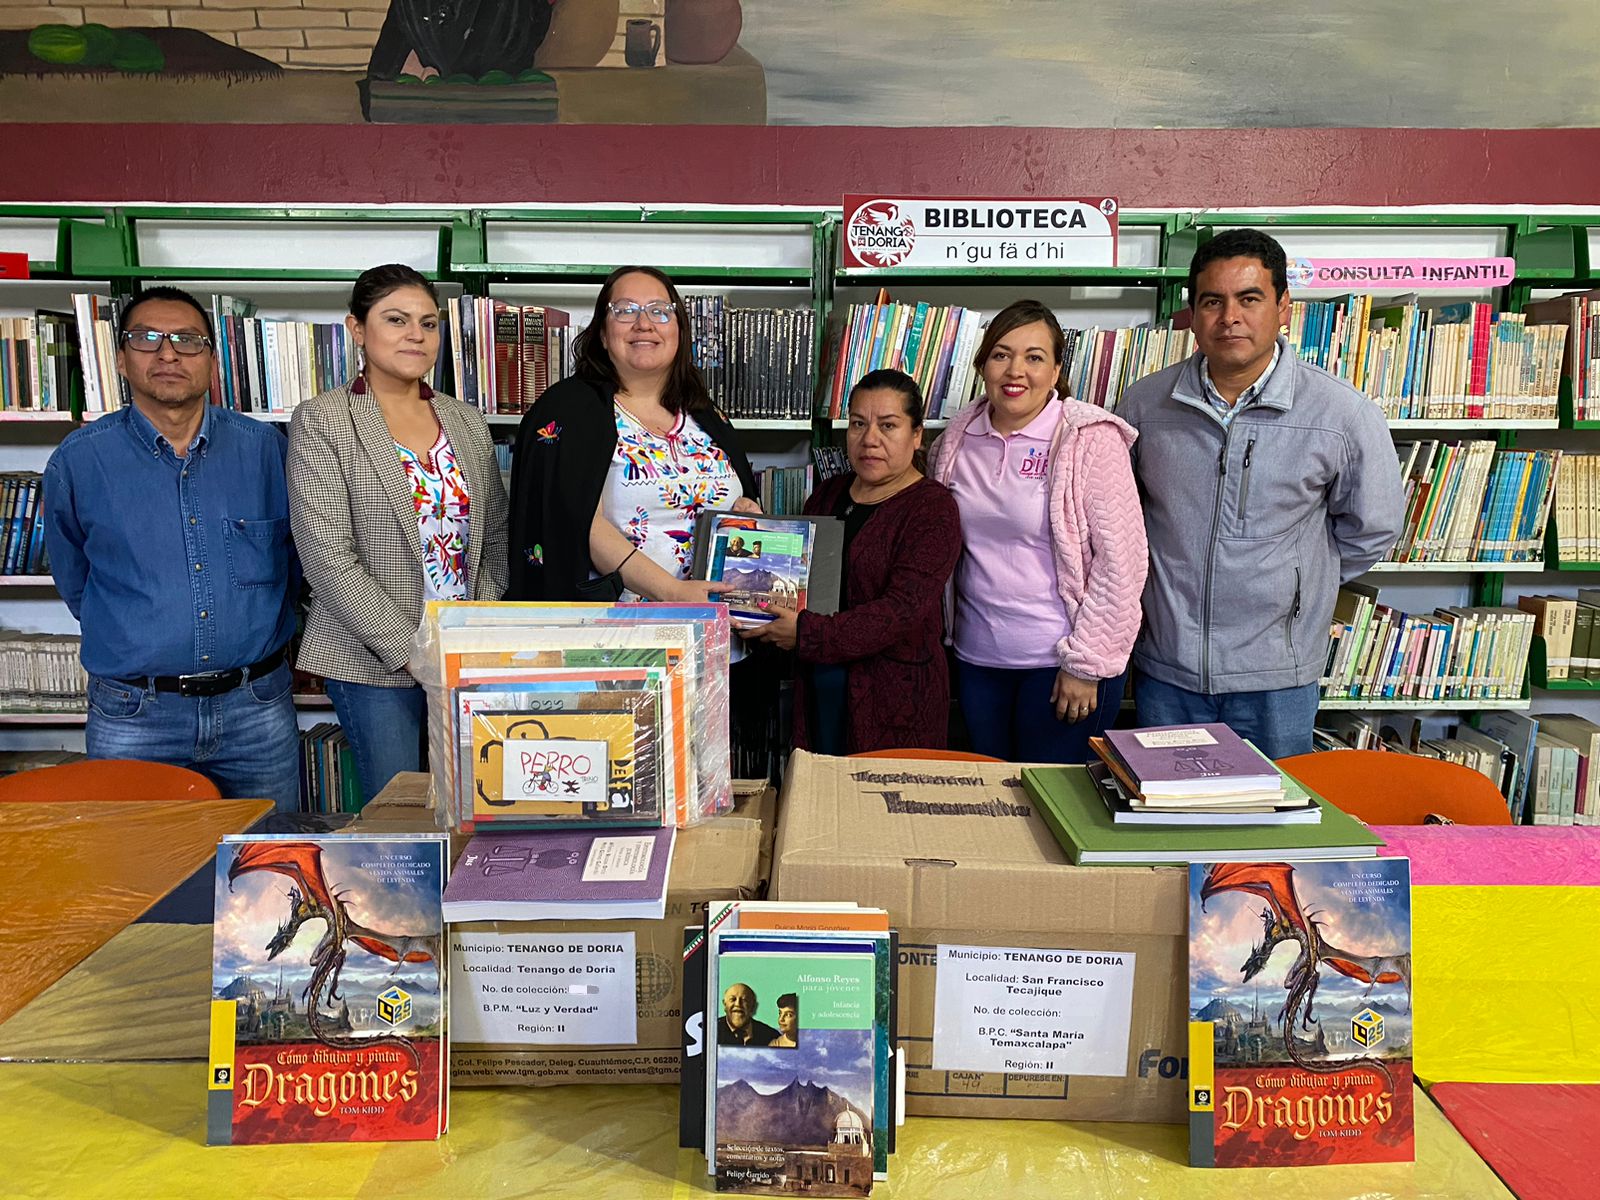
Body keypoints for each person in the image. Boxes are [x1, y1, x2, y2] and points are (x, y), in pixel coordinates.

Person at [1117, 229, 1405, 759]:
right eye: (1213, 301)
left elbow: (1374, 527)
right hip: (1166, 670)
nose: (1230, 317)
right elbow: (1119, 523)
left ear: (1283, 307)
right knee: (1169, 829)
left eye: (1249, 299)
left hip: (1277, 678)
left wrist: (1299, 582)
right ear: (1193, 312)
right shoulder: (1142, 405)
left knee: (1270, 832)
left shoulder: (1342, 413)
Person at [43, 286, 299, 810]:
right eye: (147, 338)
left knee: (268, 873)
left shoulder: (268, 451)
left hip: (256, 709)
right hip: (135, 714)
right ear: (119, 358)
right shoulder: (79, 462)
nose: (167, 353)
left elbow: (296, 566)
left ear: (212, 358)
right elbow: (75, 579)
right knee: (137, 878)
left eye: (187, 340)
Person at [289, 264, 508, 805]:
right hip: (371, 658)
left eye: (428, 323)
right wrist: (413, 652)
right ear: (357, 329)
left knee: (477, 805)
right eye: (396, 320)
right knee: (401, 816)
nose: (416, 334)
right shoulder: (323, 420)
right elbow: (327, 558)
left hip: (464, 651)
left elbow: (496, 540)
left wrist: (473, 637)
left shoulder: (464, 419)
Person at [928, 301, 1147, 764]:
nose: (1016, 371)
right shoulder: (956, 439)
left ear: (1056, 369)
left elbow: (1121, 563)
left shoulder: (1090, 441)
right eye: (1001, 354)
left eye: (1034, 357)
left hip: (1060, 667)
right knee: (989, 805)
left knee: (1053, 810)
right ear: (982, 364)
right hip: (976, 660)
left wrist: (1086, 664)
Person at [506, 265, 759, 603]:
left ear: (680, 330)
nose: (644, 324)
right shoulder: (568, 409)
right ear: (601, 332)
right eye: (625, 311)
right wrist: (672, 592)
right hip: (620, 636)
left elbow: (737, 503)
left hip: (720, 629)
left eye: (660, 311)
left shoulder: (705, 414)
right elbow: (578, 523)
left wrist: (748, 516)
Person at [744, 369, 961, 754]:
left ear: (916, 434)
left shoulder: (933, 508)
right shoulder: (829, 494)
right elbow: (797, 579)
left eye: (888, 425)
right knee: (818, 797)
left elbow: (900, 611)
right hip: (819, 686)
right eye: (858, 423)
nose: (869, 439)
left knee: (881, 806)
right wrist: (751, 532)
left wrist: (806, 633)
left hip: (894, 698)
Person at [717, 982, 778, 1047]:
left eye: (744, 1000)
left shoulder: (770, 1036)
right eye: (733, 999)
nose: (738, 1004)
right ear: (724, 1004)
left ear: (753, 1006)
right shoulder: (710, 1031)